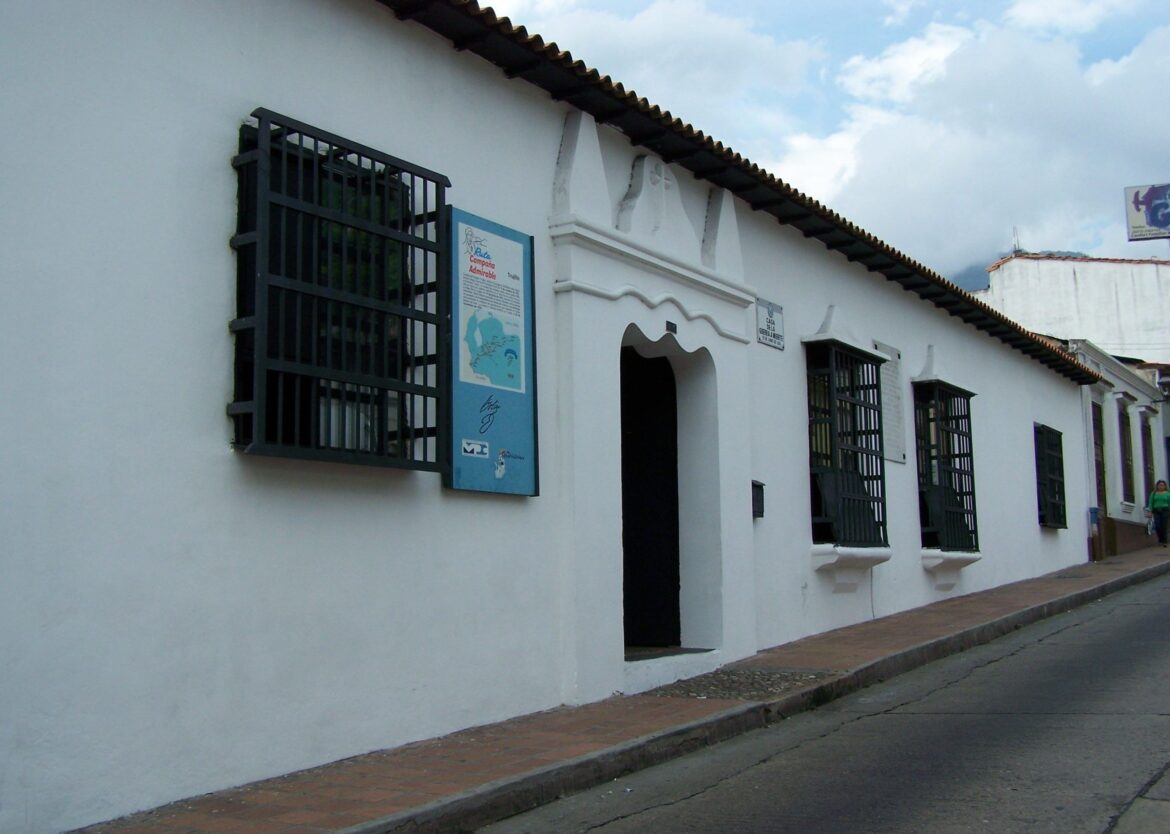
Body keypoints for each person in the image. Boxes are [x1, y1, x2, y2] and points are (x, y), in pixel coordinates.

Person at [1147, 480, 1170, 547]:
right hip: (1156, 511)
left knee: (1164, 526)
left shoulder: (1168, 494)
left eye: (1162, 485)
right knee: (1157, 525)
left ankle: (1164, 541)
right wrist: (1150, 511)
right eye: (1160, 485)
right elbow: (1151, 503)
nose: (1161, 486)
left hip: (1165, 510)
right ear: (1157, 486)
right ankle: (1160, 539)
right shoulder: (1153, 494)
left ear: (1165, 486)